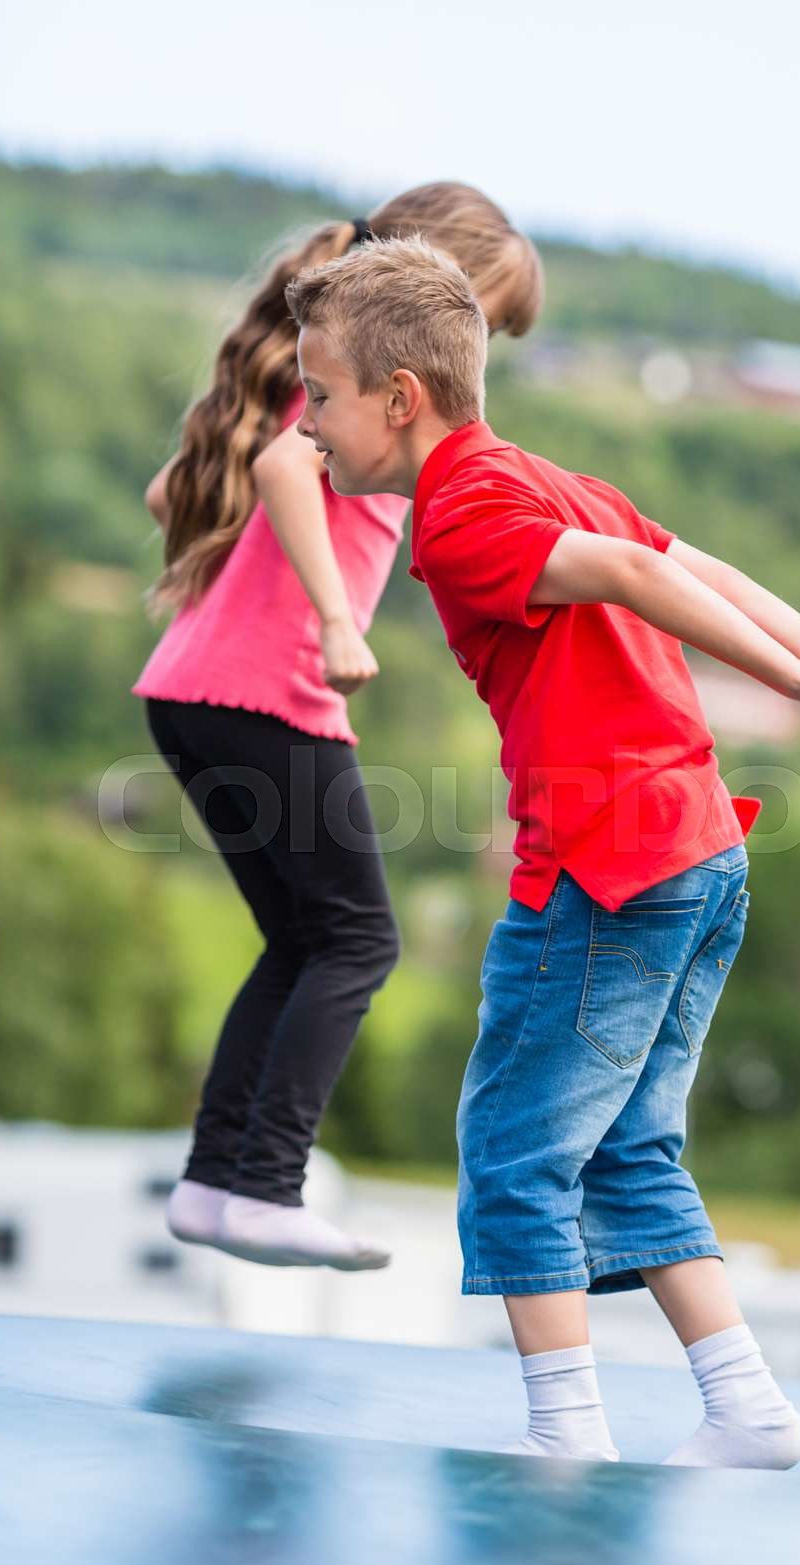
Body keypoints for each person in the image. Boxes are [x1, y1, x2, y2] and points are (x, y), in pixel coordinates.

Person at [284, 235, 800, 1463]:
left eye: (320, 395)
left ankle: (563, 1435)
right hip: (698, 855)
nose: (308, 422)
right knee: (627, 1147)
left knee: (510, 1151)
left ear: (400, 398)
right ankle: (748, 1407)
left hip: (608, 869)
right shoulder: (544, 475)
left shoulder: (460, 514)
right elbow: (689, 563)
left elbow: (623, 573)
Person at [133, 188, 543, 1271]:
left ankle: (217, 1186)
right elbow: (276, 470)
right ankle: (265, 1184)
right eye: (482, 325)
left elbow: (168, 489)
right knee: (360, 939)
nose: (481, 357)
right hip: (266, 692)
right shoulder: (347, 406)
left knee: (304, 939)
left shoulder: (310, 386)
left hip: (192, 689)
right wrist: (327, 616)